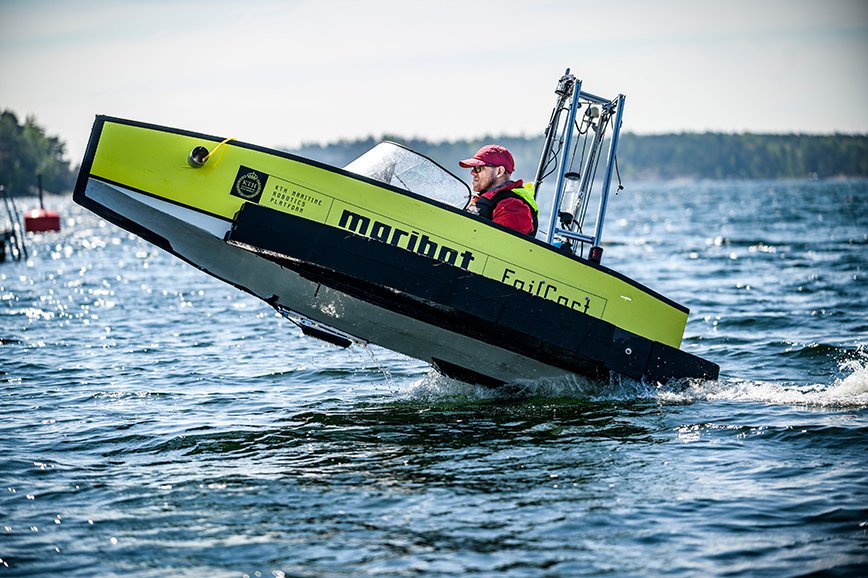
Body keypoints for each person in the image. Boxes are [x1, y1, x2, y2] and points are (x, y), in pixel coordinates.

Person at [459, 145, 538, 236]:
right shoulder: (486, 199)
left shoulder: (512, 206)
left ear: (499, 172)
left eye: (478, 168)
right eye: (472, 168)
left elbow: (499, 245)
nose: (472, 172)